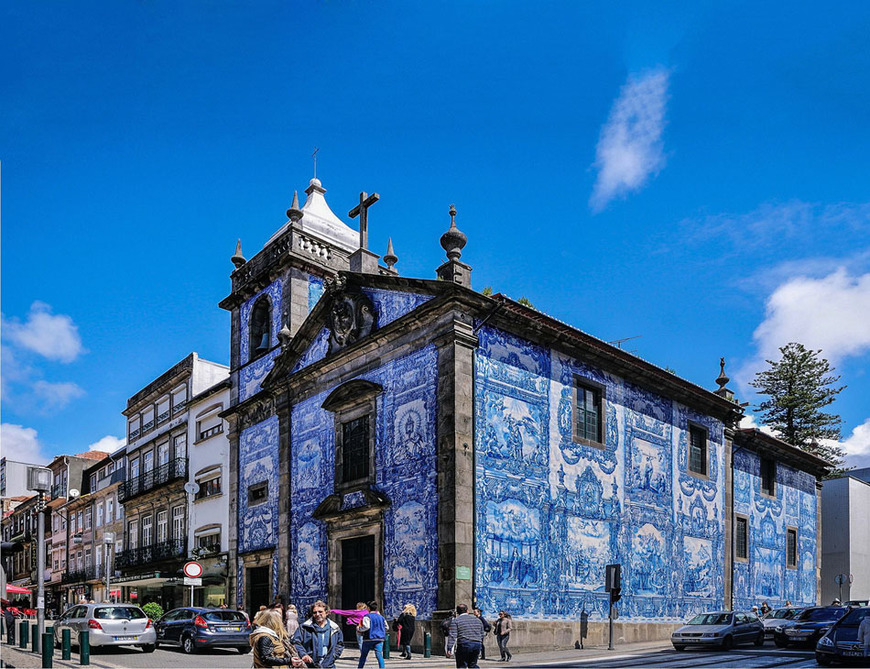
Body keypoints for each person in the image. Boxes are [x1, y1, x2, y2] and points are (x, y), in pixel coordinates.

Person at [292, 600, 343, 668]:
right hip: (310, 665)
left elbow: (340, 644)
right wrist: (303, 654)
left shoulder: (334, 628)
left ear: (326, 612)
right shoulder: (304, 627)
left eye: (320, 611)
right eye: (315, 612)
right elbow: (296, 642)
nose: (317, 614)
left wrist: (334, 656)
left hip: (328, 665)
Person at [446, 604, 485, 669]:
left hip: (464, 644)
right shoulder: (477, 620)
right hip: (477, 644)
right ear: (467, 611)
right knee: (472, 665)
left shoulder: (456, 621)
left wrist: (449, 648)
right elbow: (481, 633)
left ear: (457, 612)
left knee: (462, 665)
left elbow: (453, 635)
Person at [357, 600, 387, 668]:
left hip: (369, 638)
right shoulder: (381, 617)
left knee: (363, 655)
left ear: (368, 608)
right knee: (379, 655)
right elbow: (386, 627)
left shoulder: (367, 616)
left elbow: (367, 626)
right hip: (379, 638)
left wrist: (359, 629)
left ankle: (360, 667)